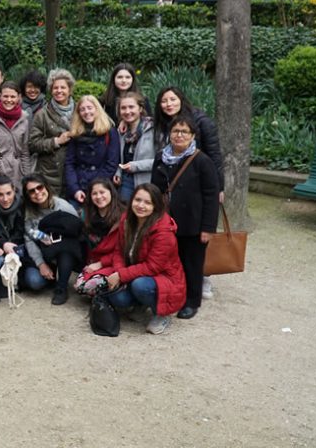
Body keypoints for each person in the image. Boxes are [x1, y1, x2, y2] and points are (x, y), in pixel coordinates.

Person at [84, 184, 186, 335]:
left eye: (147, 202)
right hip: (134, 272)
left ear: (156, 206)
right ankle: (140, 304)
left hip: (164, 278)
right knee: (117, 297)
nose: (140, 205)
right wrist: (119, 272)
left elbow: (153, 267)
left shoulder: (163, 232)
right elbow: (118, 251)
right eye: (137, 200)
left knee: (140, 286)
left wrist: (121, 275)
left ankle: (162, 315)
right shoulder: (126, 219)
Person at [151, 116, 219, 320]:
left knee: (192, 264)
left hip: (193, 223)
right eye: (175, 131)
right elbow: (155, 189)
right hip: (168, 221)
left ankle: (192, 301)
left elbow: (211, 195)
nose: (179, 135)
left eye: (184, 132)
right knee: (171, 262)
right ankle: (173, 296)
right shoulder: (161, 157)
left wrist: (207, 227)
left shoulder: (202, 161)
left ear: (192, 136)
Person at [21, 174, 82, 305]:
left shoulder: (63, 206)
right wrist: (40, 264)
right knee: (34, 282)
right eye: (32, 191)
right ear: (27, 195)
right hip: (44, 251)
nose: (37, 193)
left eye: (40, 187)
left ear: (46, 187)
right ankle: (51, 275)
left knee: (66, 250)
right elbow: (29, 239)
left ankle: (61, 288)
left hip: (65, 250)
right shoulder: (29, 212)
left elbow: (77, 231)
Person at [64, 95, 121, 208]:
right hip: (79, 186)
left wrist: (94, 190)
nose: (86, 112)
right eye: (82, 109)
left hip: (101, 189)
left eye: (90, 108)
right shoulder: (76, 134)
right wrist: (75, 189)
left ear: (97, 109)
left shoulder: (109, 132)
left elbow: (111, 163)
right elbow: (70, 163)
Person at [28, 69, 75, 198]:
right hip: (50, 174)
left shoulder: (80, 111)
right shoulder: (42, 114)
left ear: (70, 90)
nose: (59, 91)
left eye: (63, 87)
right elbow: (32, 144)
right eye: (55, 88)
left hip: (75, 171)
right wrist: (56, 141)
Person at [0, 175, 32, 292]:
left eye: (8, 193)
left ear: (14, 190)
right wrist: (3, 244)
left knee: (34, 282)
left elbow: (27, 232)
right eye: (0, 194)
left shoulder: (24, 206)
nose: (5, 199)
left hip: (22, 250)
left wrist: (12, 245)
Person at [114, 92, 155, 202]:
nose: (127, 111)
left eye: (131, 107)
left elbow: (160, 160)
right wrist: (118, 171)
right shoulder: (121, 131)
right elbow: (119, 157)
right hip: (125, 181)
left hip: (147, 181)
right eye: (123, 108)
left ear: (140, 108)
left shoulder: (152, 129)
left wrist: (135, 166)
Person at [82, 178, 123, 258]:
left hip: (113, 260)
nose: (98, 196)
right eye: (94, 194)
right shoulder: (87, 215)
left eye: (102, 192)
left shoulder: (122, 216)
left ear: (111, 192)